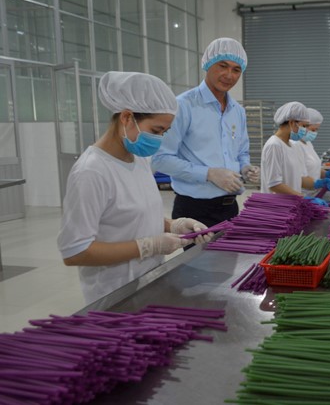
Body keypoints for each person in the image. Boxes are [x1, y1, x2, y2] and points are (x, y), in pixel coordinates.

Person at [58, 72, 214, 304]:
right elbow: (75, 252)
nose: (159, 139)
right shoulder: (91, 172)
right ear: (127, 117)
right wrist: (148, 246)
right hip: (114, 294)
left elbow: (131, 215)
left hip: (149, 282)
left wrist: (175, 225)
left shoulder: (139, 159)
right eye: (156, 130)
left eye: (164, 132)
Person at [151, 37, 260, 231]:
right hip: (194, 210)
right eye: (223, 66)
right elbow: (160, 159)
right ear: (208, 64)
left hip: (230, 207)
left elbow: (242, 152)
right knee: (197, 253)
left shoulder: (237, 111)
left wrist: (245, 167)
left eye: (236, 70)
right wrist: (209, 174)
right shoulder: (183, 106)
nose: (229, 75)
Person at [260, 102, 330, 204]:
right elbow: (274, 184)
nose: (305, 130)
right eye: (304, 126)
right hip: (277, 207)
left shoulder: (292, 146)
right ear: (292, 123)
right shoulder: (274, 145)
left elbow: (300, 178)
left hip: (292, 205)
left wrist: (320, 183)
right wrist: (303, 198)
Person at [298, 108, 324, 183]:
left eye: (317, 130)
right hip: (301, 190)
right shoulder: (294, 145)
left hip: (312, 189)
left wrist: (326, 174)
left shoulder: (308, 143)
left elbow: (312, 168)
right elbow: (297, 177)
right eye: (313, 130)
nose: (315, 133)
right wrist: (318, 184)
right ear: (303, 127)